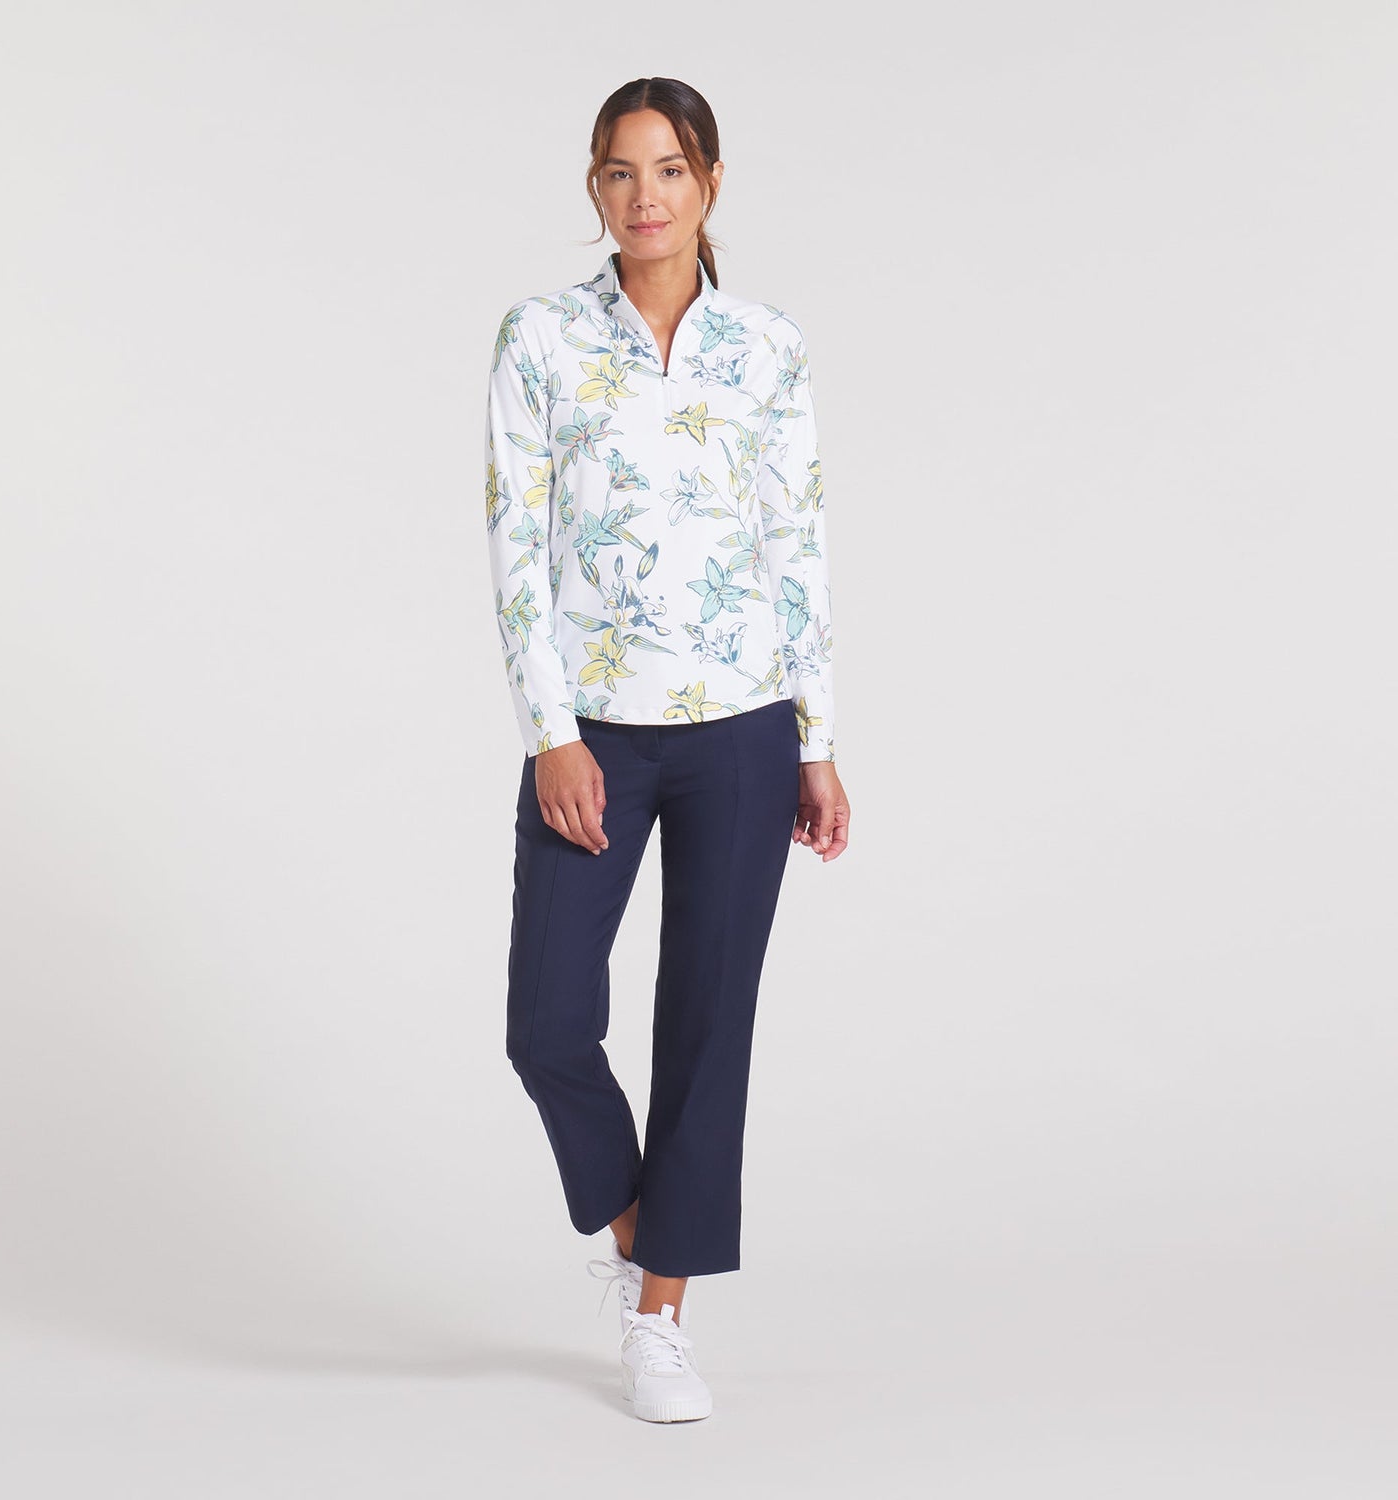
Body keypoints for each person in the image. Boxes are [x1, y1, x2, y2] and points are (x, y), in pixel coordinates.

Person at [483, 77, 851, 1423]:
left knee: (707, 1021)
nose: (648, 195)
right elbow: (515, 544)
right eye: (623, 171)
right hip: (597, 735)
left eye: (673, 169)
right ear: (595, 188)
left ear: (710, 184)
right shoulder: (539, 337)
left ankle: (661, 1321)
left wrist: (817, 738)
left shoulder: (766, 346)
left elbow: (795, 543)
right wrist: (552, 734)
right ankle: (647, 1229)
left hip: (744, 731)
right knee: (546, 1024)